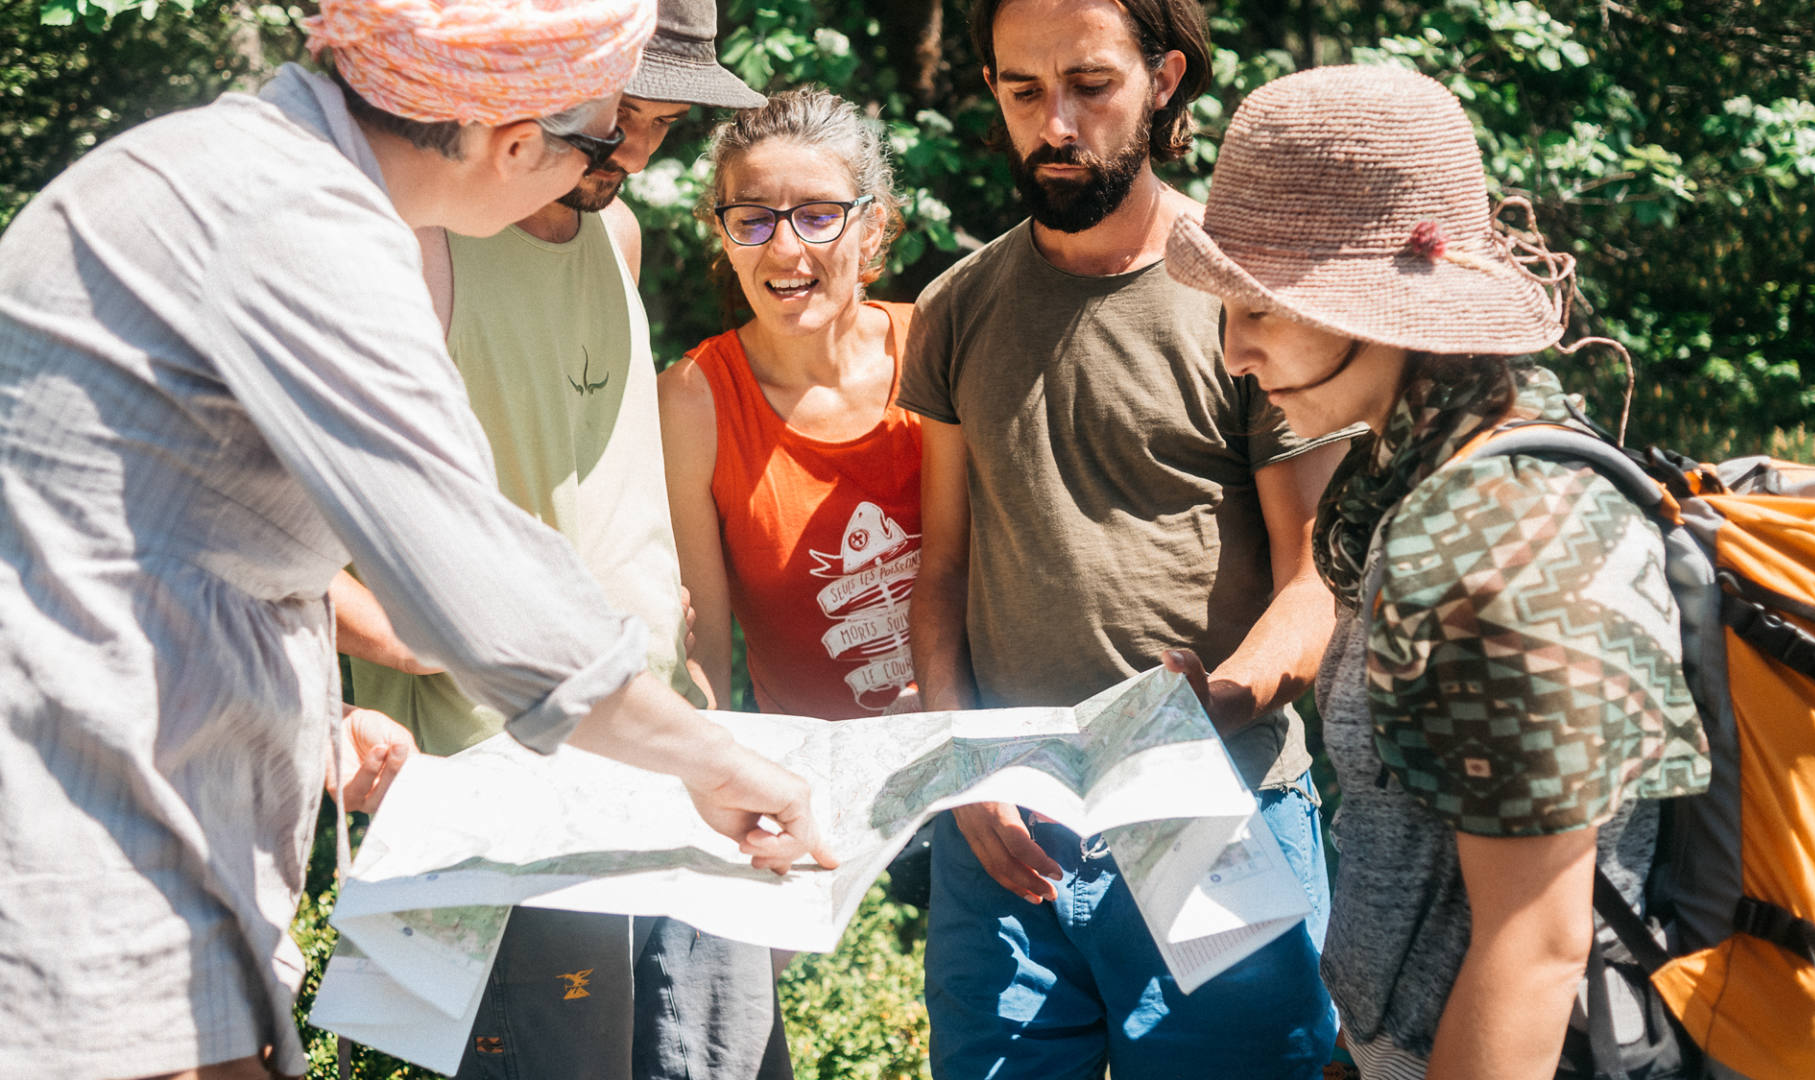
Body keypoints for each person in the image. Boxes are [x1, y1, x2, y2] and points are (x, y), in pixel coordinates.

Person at [0, 2, 837, 1077]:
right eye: (599, 138)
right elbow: (476, 590)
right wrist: (719, 765)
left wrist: (322, 713)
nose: (614, 168)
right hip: (86, 832)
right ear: (515, 144)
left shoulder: (258, 166)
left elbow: (168, 537)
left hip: (145, 792)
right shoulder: (308, 227)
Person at [1164, 64, 1713, 1079]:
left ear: (1370, 311)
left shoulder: (1489, 534)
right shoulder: (1417, 474)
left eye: (1261, 310)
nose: (1234, 353)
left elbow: (1536, 946)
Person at [331, 4, 795, 1077]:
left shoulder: (615, 236)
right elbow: (277, 543)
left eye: (667, 123)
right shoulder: (419, 240)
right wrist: (410, 644)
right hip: (501, 768)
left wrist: (669, 634)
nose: (635, 151)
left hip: (664, 743)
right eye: (624, 114)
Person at [896, 1, 1354, 1076]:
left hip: (1215, 812)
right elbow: (942, 570)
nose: (1055, 124)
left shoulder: (1249, 305)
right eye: (1022, 90)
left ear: (1167, 79)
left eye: (1091, 85)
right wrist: (965, 768)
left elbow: (1313, 584)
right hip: (1005, 829)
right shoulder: (955, 306)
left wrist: (1211, 709)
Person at [659, 88, 917, 723]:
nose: (782, 250)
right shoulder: (692, 402)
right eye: (751, 220)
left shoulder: (937, 347)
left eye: (818, 216)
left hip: (977, 735)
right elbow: (703, 655)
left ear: (872, 226)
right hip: (807, 763)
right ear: (722, 236)